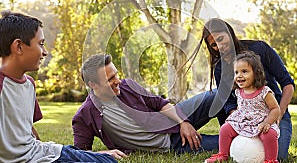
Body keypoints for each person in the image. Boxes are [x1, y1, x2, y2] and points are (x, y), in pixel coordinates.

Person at [0, 11, 119, 163]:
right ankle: (75, 160)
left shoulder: (29, 84)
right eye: (41, 44)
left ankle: (78, 157)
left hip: (38, 155)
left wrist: (50, 156)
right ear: (18, 47)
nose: (45, 52)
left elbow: (27, 128)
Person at [72, 53, 223, 156]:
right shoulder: (84, 115)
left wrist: (183, 121)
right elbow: (80, 152)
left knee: (218, 94)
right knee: (226, 143)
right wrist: (105, 153)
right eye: (110, 79)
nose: (117, 80)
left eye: (116, 74)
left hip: (171, 117)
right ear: (93, 85)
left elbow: (160, 103)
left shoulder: (128, 85)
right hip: (171, 142)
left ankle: (239, 122)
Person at [189, 18, 294, 161]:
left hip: (272, 114)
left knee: (279, 156)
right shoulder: (220, 68)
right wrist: (241, 121)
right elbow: (227, 101)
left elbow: (287, 83)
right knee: (235, 145)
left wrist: (278, 114)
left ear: (229, 33)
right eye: (214, 44)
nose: (219, 46)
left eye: (221, 39)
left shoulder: (260, 49)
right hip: (244, 117)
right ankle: (220, 146)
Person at [204, 51, 281, 163]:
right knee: (225, 129)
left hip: (261, 122)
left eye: (244, 71)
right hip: (243, 121)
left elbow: (275, 109)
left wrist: (268, 122)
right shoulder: (238, 91)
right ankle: (222, 154)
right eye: (236, 72)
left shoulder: (264, 91)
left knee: (269, 134)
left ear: (256, 73)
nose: (239, 75)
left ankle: (270, 161)